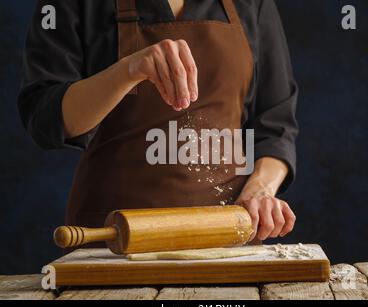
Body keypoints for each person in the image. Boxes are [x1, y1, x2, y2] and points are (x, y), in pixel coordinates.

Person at [18, 0, 299, 243]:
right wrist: (127, 71)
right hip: (113, 240)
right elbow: (46, 116)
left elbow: (275, 125)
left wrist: (261, 190)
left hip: (228, 237)